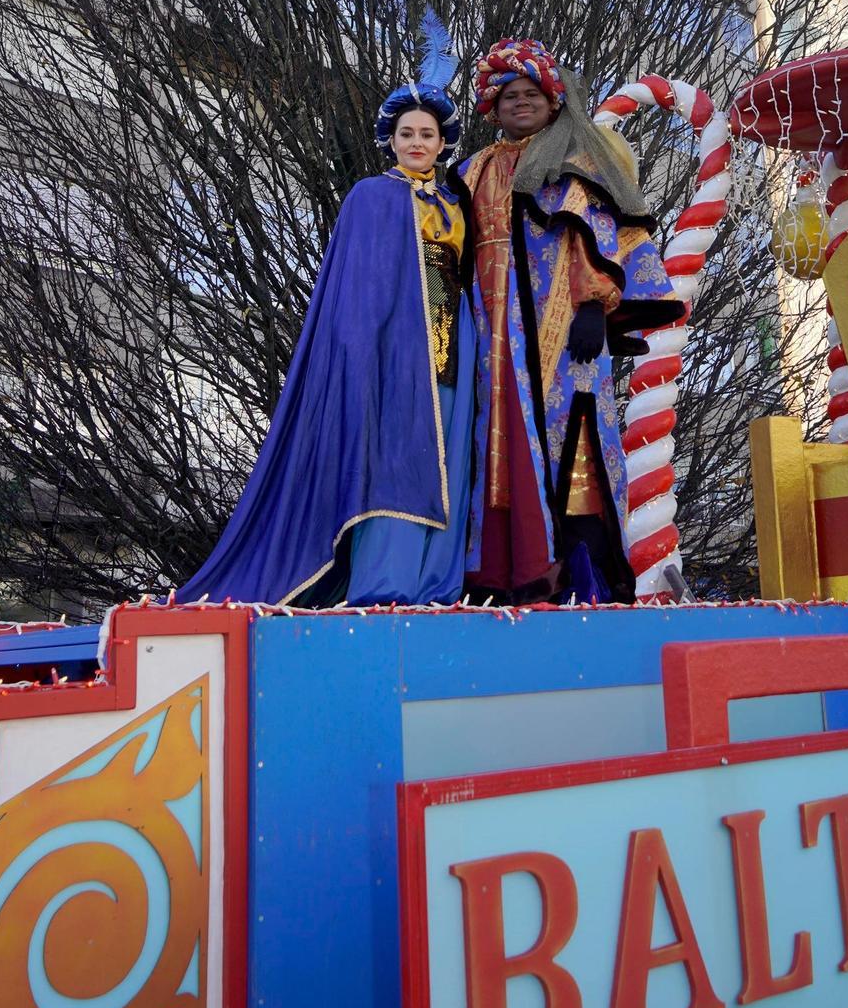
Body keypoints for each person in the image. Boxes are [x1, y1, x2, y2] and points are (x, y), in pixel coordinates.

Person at [177, 35, 475, 607]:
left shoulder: (456, 202)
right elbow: (358, 291)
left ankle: (436, 582)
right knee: (396, 456)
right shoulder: (370, 196)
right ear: (391, 140)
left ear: (442, 143)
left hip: (452, 337)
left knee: (447, 454)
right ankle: (385, 584)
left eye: (427, 134)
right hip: (393, 347)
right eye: (406, 133)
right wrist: (366, 352)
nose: (417, 142)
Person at [448, 37, 682, 603]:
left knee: (576, 446)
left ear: (554, 102)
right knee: (487, 449)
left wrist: (592, 307)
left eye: (532, 94)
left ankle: (586, 578)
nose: (520, 103)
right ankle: (502, 577)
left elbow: (598, 231)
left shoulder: (574, 161)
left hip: (562, 337)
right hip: (486, 335)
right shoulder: (471, 169)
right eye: (509, 96)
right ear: (492, 108)